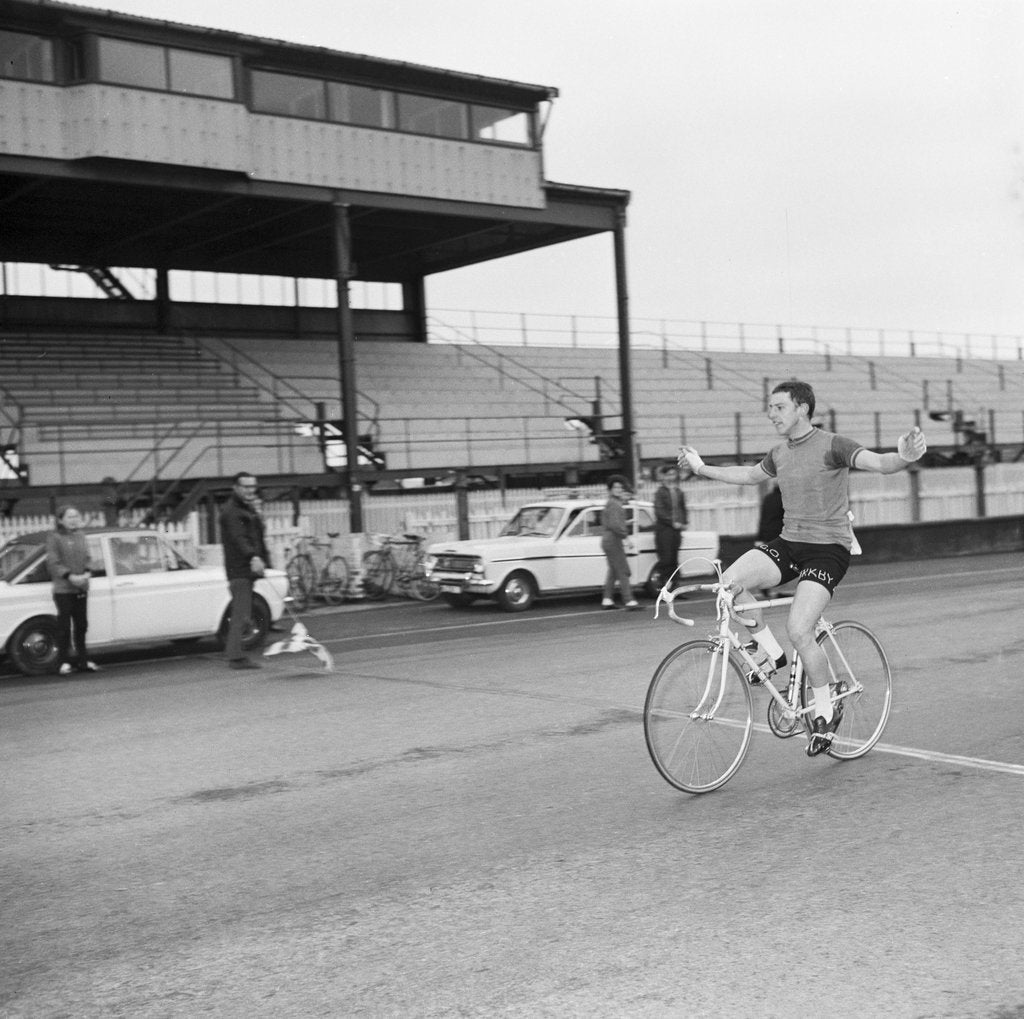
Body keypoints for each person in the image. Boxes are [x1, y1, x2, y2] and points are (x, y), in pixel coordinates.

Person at [679, 379, 926, 756]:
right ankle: (770, 653)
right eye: (770, 407)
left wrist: (904, 457)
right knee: (729, 584)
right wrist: (700, 467)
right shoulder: (779, 452)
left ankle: (825, 710)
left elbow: (879, 463)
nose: (771, 413)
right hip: (790, 543)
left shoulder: (832, 445)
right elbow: (747, 475)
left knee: (800, 628)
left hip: (828, 550)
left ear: (802, 408)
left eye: (779, 407)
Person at [220, 471, 271, 670]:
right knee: (241, 614)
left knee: (244, 612)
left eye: (253, 487)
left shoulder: (245, 509)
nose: (250, 490)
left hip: (246, 569)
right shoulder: (232, 511)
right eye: (246, 487)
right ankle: (235, 657)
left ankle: (235, 653)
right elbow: (239, 538)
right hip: (240, 569)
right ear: (236, 488)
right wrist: (254, 556)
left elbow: (256, 533)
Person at [46, 505, 98, 675]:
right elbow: (53, 563)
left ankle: (83, 660)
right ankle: (63, 661)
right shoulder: (54, 538)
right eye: (69, 517)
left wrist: (87, 573)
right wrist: (70, 576)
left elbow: (88, 558)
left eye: (76, 516)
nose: (74, 519)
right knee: (64, 627)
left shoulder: (81, 536)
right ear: (61, 520)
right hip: (63, 589)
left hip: (81, 587)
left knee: (82, 625)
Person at [600, 474, 640, 611]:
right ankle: (629, 601)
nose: (618, 489)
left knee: (613, 571)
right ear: (610, 489)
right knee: (623, 570)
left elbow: (612, 522)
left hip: (608, 539)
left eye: (620, 487)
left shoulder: (611, 503)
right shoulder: (615, 505)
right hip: (614, 539)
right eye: (615, 487)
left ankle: (607, 599)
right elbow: (616, 525)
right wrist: (626, 538)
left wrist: (626, 523)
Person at [653, 463, 689, 587]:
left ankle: (674, 587)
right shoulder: (660, 492)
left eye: (673, 474)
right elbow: (659, 511)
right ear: (663, 476)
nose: (671, 477)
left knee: (674, 559)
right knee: (666, 559)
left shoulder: (678, 491)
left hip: (676, 530)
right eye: (668, 474)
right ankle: (663, 586)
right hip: (664, 530)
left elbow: (683, 508)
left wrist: (684, 522)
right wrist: (672, 522)